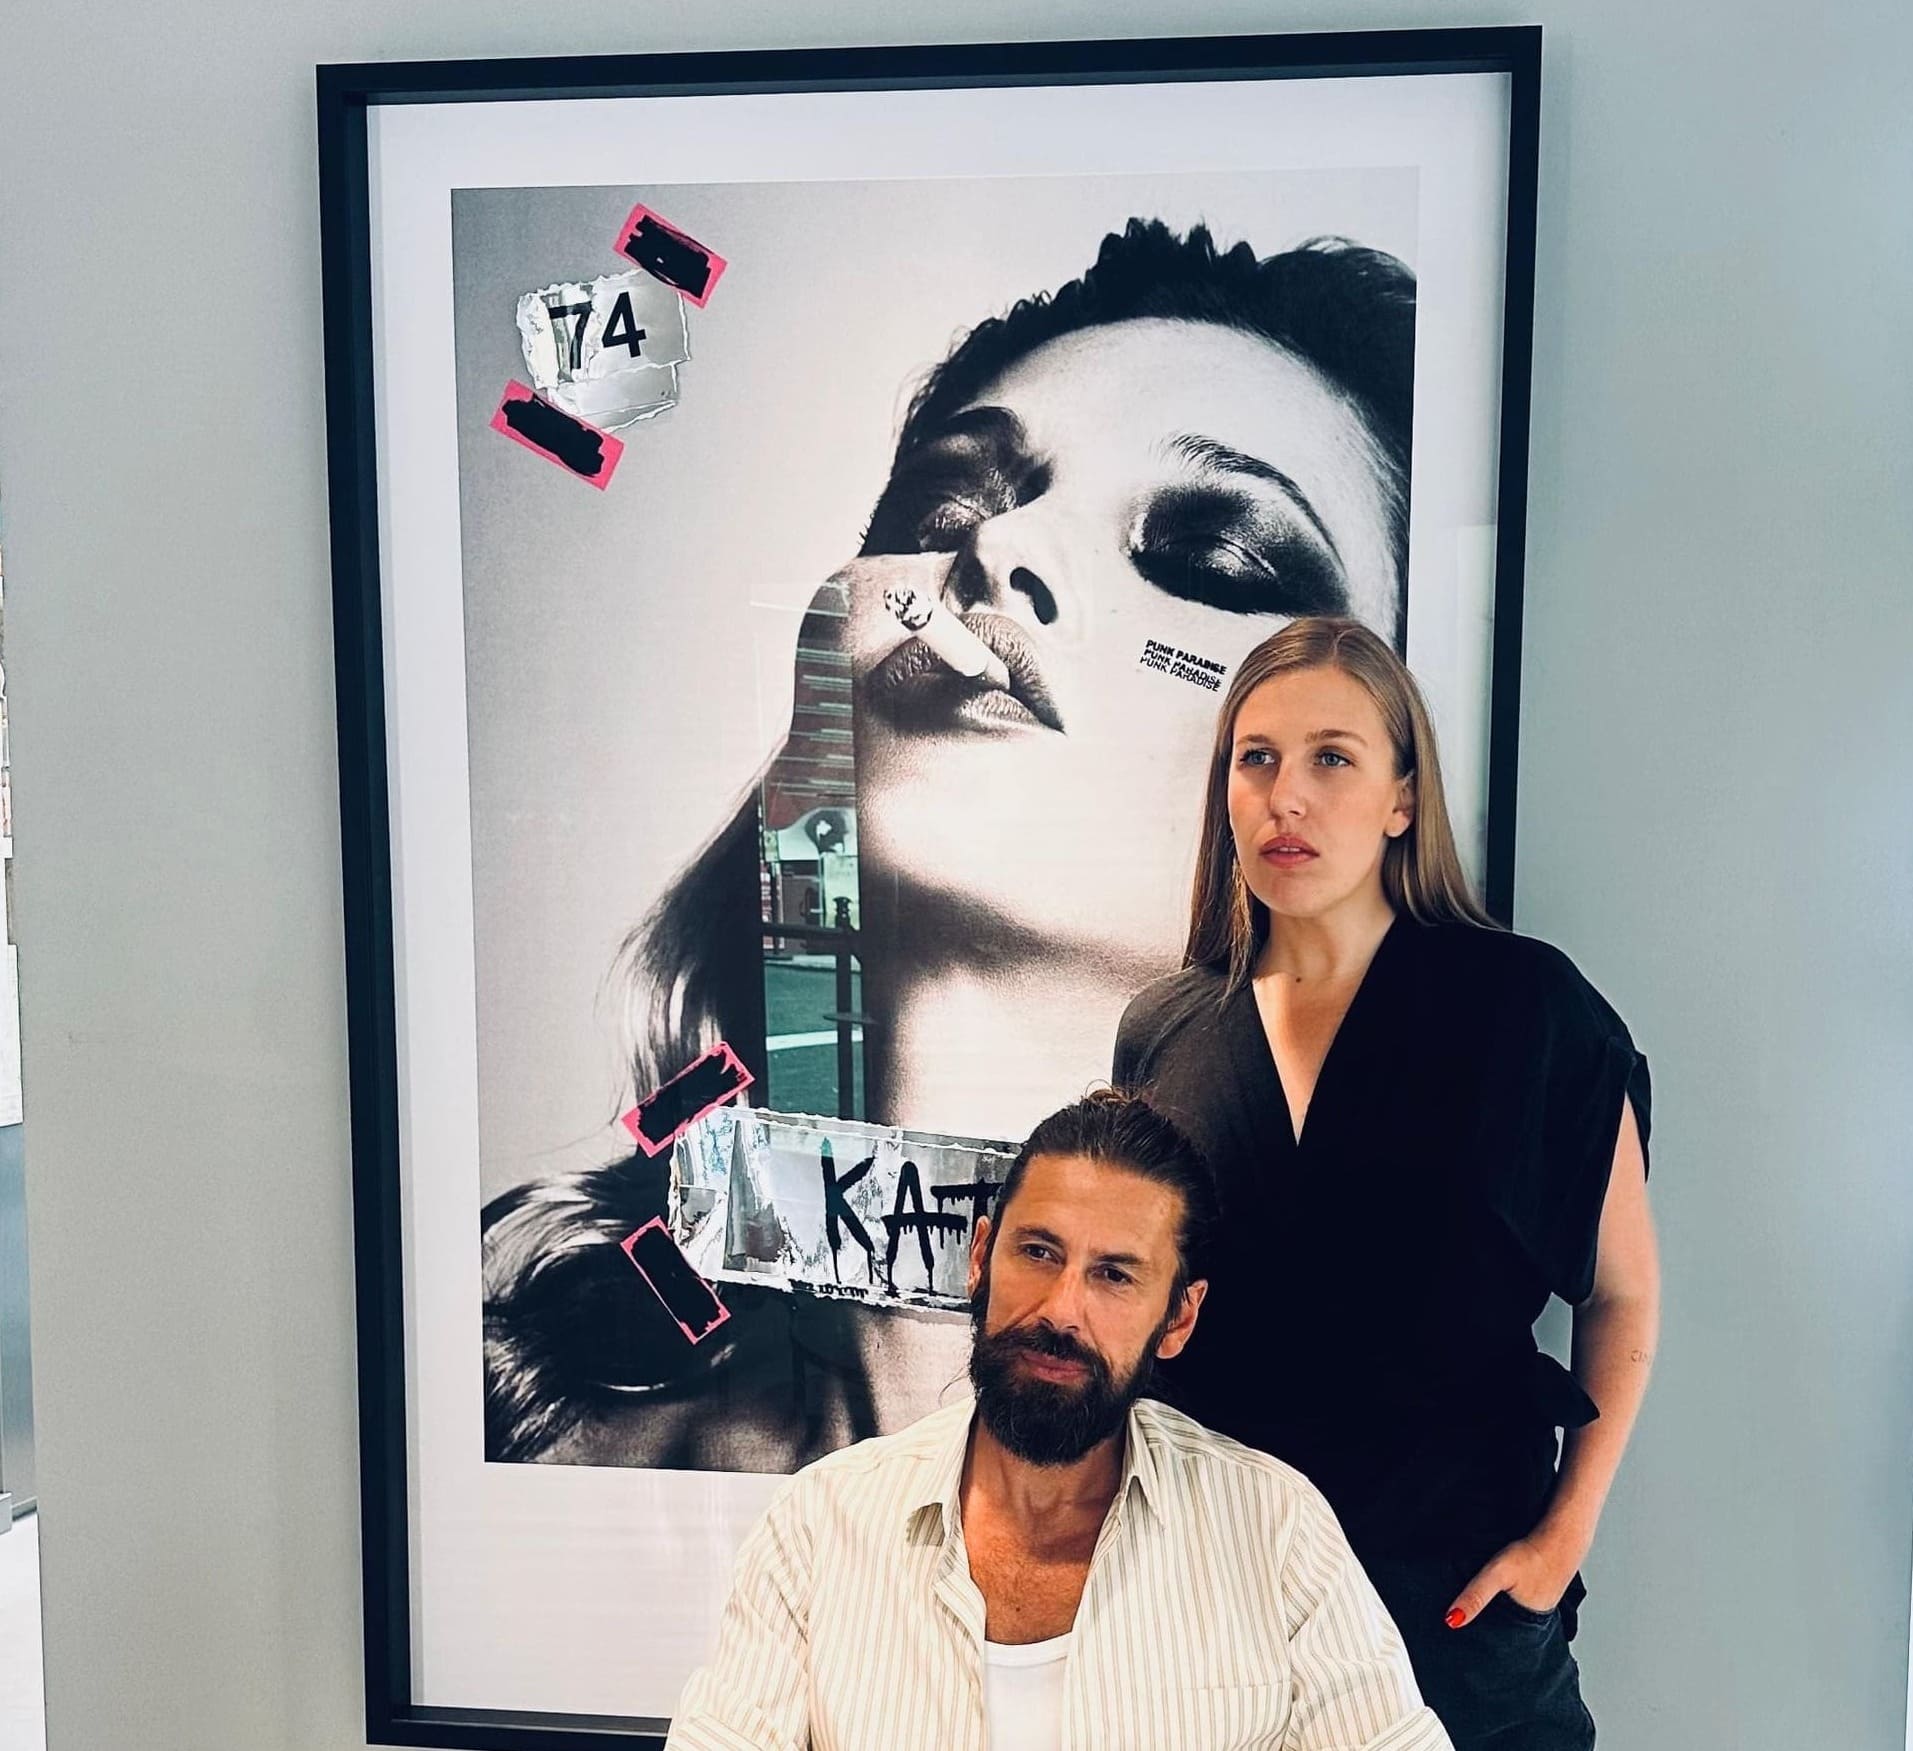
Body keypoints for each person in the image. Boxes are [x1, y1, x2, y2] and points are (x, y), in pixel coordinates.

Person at [483, 218, 1419, 1468]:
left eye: (1213, 558)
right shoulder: (518, 1402)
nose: (995, 547)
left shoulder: (1338, 1492)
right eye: (941, 506)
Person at [1113, 617, 1660, 1750]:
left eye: (1331, 757)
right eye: (1255, 758)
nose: (1285, 796)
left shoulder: (1526, 1009)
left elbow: (1621, 1292)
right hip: (1214, 1629)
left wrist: (1562, 1537)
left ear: (1401, 798)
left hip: (1456, 1622)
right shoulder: (1163, 1032)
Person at [665, 1089, 1453, 1751]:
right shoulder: (819, 1523)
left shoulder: (1273, 1528)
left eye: (1114, 1274)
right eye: (1038, 1252)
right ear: (980, 1258)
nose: (1061, 1310)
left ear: (1178, 1318)